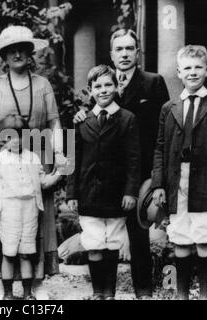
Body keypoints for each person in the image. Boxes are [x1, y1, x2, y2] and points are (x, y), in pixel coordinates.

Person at [0, 25, 67, 299]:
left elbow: (55, 121)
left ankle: (36, 283)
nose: (18, 54)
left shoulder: (43, 84)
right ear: (4, 56)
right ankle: (5, 285)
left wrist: (57, 154)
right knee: (5, 222)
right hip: (1, 160)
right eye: (12, 50)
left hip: (37, 158)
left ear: (30, 53)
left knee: (37, 220)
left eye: (23, 49)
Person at [72, 29, 170, 299]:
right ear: (112, 53)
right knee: (106, 237)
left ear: (137, 52)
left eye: (130, 48)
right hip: (106, 175)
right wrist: (81, 115)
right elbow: (91, 116)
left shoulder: (153, 82)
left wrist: (157, 176)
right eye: (119, 49)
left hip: (141, 171)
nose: (125, 53)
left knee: (139, 238)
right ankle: (105, 293)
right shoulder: (103, 82)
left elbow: (163, 130)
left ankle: (143, 292)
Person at [0, 115, 62, 300]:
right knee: (9, 253)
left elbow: (42, 182)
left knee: (27, 253)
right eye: (10, 137)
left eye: (20, 136)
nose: (16, 141)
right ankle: (8, 293)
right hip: (8, 210)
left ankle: (27, 293)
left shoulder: (33, 158)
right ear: (3, 138)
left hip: (29, 210)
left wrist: (59, 172)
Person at [66, 65, 140, 300]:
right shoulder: (81, 121)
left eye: (108, 85)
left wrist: (130, 192)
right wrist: (71, 193)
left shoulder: (127, 119)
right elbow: (72, 159)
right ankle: (97, 293)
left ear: (117, 87)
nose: (104, 90)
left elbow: (133, 159)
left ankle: (110, 294)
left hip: (116, 194)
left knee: (112, 242)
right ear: (90, 90)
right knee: (94, 242)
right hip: (88, 193)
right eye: (97, 86)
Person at [152, 45, 207, 300]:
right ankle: (181, 295)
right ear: (178, 72)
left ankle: (206, 295)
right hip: (177, 180)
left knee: (205, 237)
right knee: (181, 237)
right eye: (187, 68)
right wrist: (158, 184)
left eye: (198, 67)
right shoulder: (170, 107)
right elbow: (160, 147)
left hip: (205, 182)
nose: (193, 72)